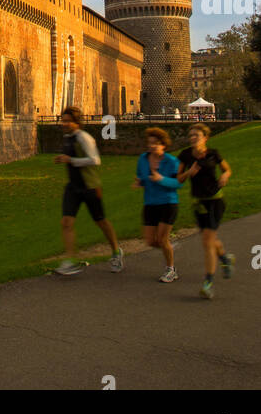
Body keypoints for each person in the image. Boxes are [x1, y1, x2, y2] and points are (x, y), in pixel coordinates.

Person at [54, 105, 124, 275]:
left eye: (68, 121)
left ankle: (116, 251)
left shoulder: (84, 138)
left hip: (90, 186)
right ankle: (71, 259)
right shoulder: (67, 138)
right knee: (66, 222)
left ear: (77, 122)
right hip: (73, 187)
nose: (64, 124)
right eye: (63, 121)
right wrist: (65, 160)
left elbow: (95, 160)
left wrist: (71, 160)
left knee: (101, 221)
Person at [176, 123, 235, 299]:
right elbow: (178, 179)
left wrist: (225, 176)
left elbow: (227, 169)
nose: (193, 138)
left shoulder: (213, 153)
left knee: (207, 241)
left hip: (216, 201)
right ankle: (225, 258)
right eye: (191, 135)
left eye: (197, 135)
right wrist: (189, 173)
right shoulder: (185, 155)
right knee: (209, 239)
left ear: (205, 138)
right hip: (198, 202)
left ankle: (208, 282)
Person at [134, 126, 182, 282]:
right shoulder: (143, 159)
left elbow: (178, 183)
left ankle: (171, 269)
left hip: (168, 203)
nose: (151, 146)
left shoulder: (172, 161)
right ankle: (168, 247)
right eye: (149, 143)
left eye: (155, 143)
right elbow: (142, 176)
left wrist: (161, 179)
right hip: (150, 203)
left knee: (161, 238)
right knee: (150, 241)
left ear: (163, 144)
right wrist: (140, 182)